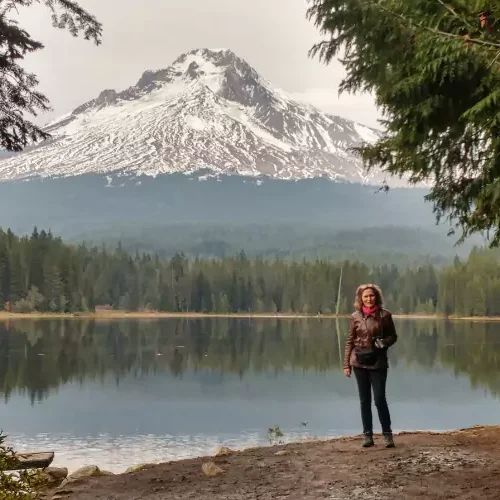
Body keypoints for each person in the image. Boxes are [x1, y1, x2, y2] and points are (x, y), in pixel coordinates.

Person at [343, 284, 398, 448]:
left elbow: (393, 336)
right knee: (364, 400)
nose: (369, 299)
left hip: (378, 362)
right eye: (365, 296)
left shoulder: (385, 315)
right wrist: (346, 365)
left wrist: (384, 343)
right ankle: (367, 436)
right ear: (360, 298)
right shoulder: (355, 317)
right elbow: (349, 341)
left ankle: (387, 435)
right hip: (359, 362)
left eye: (371, 296)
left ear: (377, 297)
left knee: (380, 399)